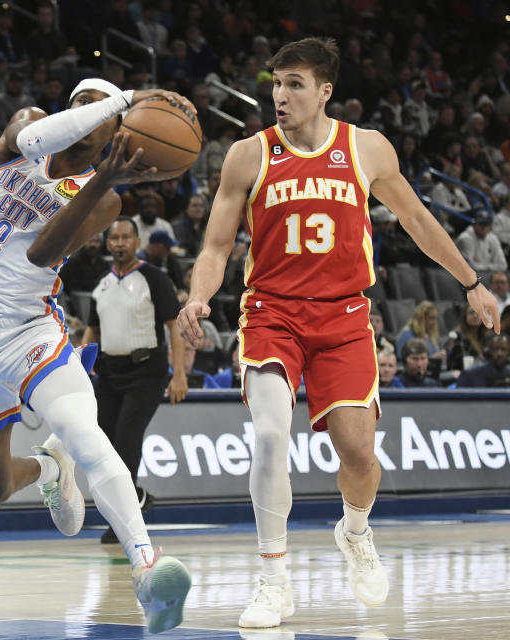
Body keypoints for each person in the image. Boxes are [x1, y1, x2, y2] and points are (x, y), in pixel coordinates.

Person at [176, 37, 500, 630]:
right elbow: (217, 245)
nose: (281, 95)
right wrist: (198, 297)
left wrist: (472, 283)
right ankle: (274, 582)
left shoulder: (366, 148)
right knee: (272, 435)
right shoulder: (250, 155)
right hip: (271, 313)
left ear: (325, 91)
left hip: (344, 318)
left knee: (358, 453)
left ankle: (354, 530)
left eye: (295, 84)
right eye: (276, 83)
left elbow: (418, 220)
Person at [0, 77, 194, 634]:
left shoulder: (105, 196)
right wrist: (121, 103)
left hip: (30, 332)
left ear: (114, 138)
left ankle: (147, 570)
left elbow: (45, 250)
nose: (89, 116)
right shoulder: (19, 139)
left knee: (87, 435)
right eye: (81, 105)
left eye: (103, 112)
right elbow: (35, 136)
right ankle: (50, 467)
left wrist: (104, 179)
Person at [82, 217, 188, 544]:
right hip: (110, 374)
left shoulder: (154, 279)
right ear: (106, 243)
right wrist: (82, 369)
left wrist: (179, 373)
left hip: (146, 372)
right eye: (113, 238)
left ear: (137, 241)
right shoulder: (101, 282)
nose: (119, 243)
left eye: (126, 237)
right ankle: (135, 499)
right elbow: (92, 330)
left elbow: (174, 326)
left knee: (127, 440)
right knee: (104, 448)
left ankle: (123, 522)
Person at [456, 208, 508, 273]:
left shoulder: (493, 238)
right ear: (474, 224)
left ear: (490, 226)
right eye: (481, 223)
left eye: (486, 224)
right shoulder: (465, 239)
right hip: (467, 277)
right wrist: (492, 266)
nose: (483, 227)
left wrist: (486, 267)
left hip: (486, 276)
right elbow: (470, 267)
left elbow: (503, 265)